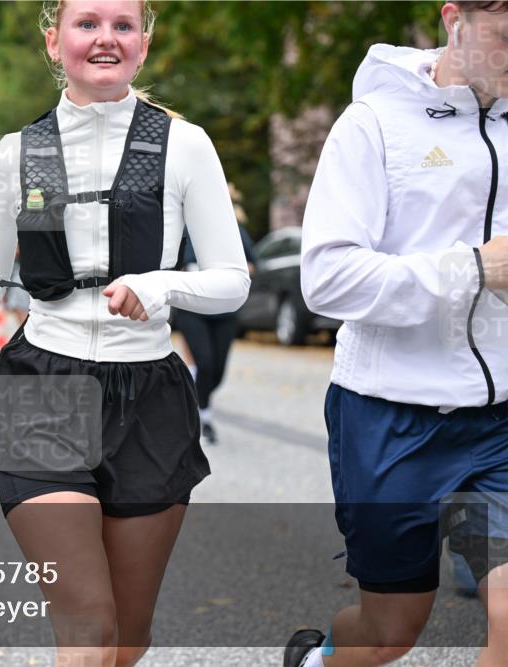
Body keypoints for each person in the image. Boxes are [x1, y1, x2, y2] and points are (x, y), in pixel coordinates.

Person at [0, 2, 251, 664]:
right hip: (42, 386)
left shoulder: (185, 145)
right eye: (87, 23)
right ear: (54, 40)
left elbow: (233, 280)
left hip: (149, 394)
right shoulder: (13, 155)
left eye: (123, 26)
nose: (105, 39)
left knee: (127, 638)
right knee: (88, 631)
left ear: (144, 43)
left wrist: (161, 287)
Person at [284, 3, 507, 666]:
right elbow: (327, 280)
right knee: (388, 632)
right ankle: (317, 660)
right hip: (391, 419)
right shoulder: (374, 124)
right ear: (454, 19)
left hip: (499, 422)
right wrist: (472, 269)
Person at [175, 199, 257, 444]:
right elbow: (168, 266)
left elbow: (252, 264)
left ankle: (193, 404)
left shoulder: (234, 230)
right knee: (205, 363)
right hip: (192, 309)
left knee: (217, 372)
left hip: (225, 311)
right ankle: (203, 417)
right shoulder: (184, 231)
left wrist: (237, 271)